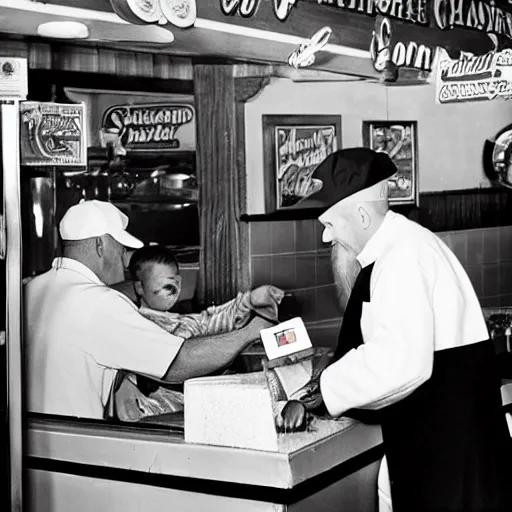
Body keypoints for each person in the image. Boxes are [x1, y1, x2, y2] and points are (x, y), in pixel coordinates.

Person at [281, 148, 512, 512]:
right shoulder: (403, 248)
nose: (326, 238)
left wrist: (319, 393)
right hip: (446, 449)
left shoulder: (402, 258)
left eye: (329, 224)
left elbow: (399, 361)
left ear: (360, 214)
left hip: (451, 461)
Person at [24, 200, 274, 420]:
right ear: (100, 246)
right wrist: (251, 332)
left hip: (34, 448)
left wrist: (120, 377)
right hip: (78, 450)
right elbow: (177, 363)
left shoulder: (30, 290)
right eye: (121, 250)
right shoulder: (101, 303)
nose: (125, 261)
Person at [109, 244, 284, 421]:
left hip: (198, 406)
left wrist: (250, 299)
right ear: (139, 287)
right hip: (165, 416)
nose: (172, 289)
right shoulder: (136, 327)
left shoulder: (182, 321)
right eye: (163, 283)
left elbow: (213, 319)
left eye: (175, 282)